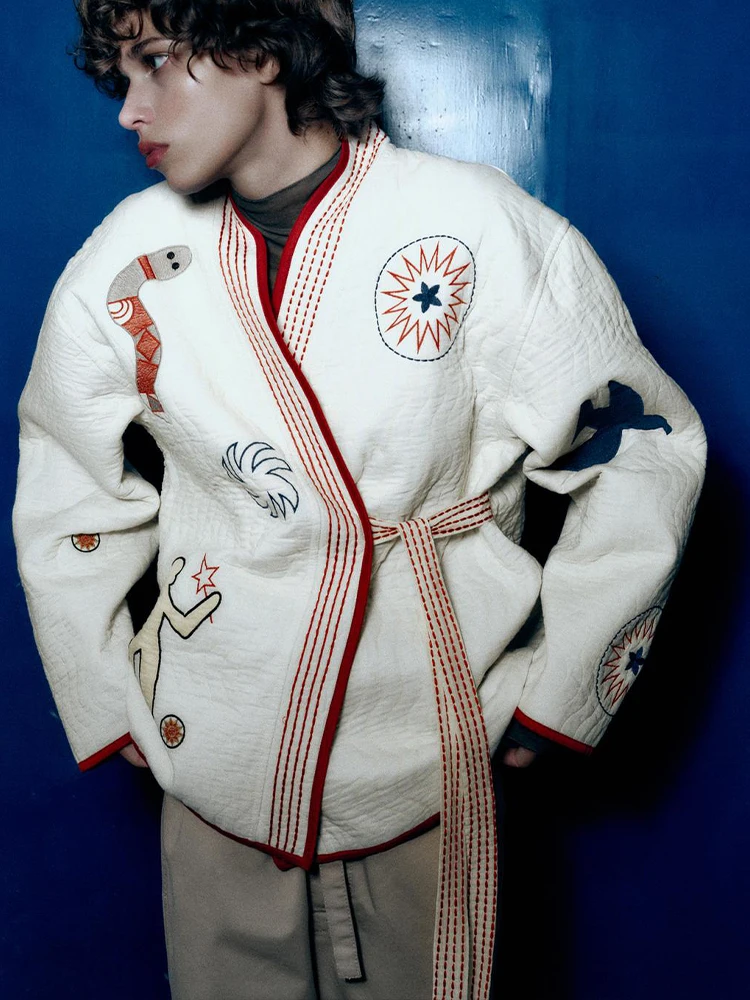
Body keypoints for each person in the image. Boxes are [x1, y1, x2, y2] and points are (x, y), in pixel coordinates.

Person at [13, 1, 706, 998]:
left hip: (429, 734)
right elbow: (66, 480)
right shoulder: (127, 258)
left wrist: (561, 690)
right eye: (120, 75)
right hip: (212, 742)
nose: (131, 108)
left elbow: (641, 450)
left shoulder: (475, 225)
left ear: (260, 49)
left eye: (156, 61)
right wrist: (104, 693)